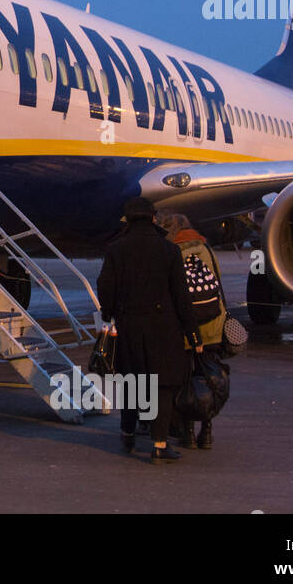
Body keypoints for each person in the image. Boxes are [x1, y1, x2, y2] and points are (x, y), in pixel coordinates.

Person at [97, 197, 203, 463]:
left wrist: (109, 313)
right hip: (163, 327)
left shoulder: (115, 249)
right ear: (153, 218)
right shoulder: (168, 251)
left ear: (127, 220)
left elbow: (105, 286)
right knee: (162, 386)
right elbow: (181, 296)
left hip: (129, 324)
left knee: (133, 381)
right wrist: (193, 332)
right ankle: (159, 444)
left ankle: (128, 433)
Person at [156, 212, 226, 450]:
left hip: (184, 328)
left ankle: (187, 432)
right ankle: (206, 432)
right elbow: (218, 284)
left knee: (184, 381)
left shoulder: (170, 251)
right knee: (208, 378)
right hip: (213, 325)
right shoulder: (205, 248)